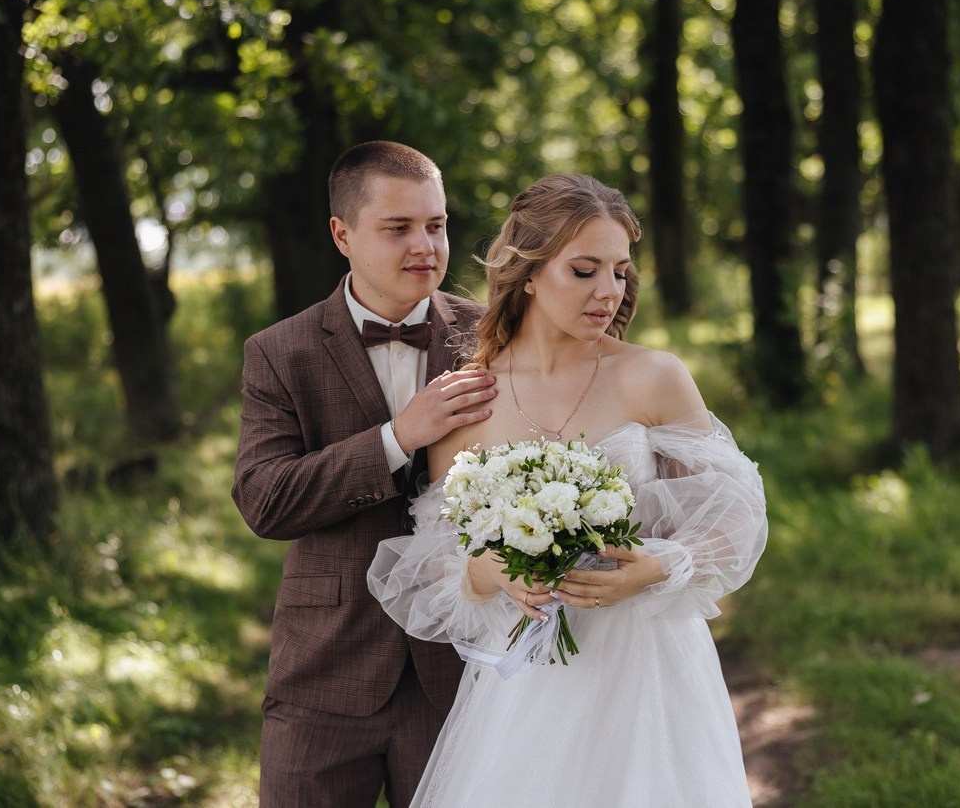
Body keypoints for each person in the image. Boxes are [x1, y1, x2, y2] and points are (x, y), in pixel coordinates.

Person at [368, 173, 768, 807]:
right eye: (584, 270)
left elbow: (738, 516)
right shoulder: (468, 399)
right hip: (531, 681)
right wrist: (491, 569)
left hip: (649, 666)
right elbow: (441, 559)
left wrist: (658, 567)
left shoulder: (652, 376)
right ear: (528, 272)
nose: (608, 291)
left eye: (619, 271)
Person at [232, 141, 498, 806]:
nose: (425, 246)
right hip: (324, 667)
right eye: (398, 228)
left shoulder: (493, 338)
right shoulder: (278, 352)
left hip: (461, 666)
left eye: (435, 225)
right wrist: (398, 437)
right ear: (342, 235)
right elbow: (266, 501)